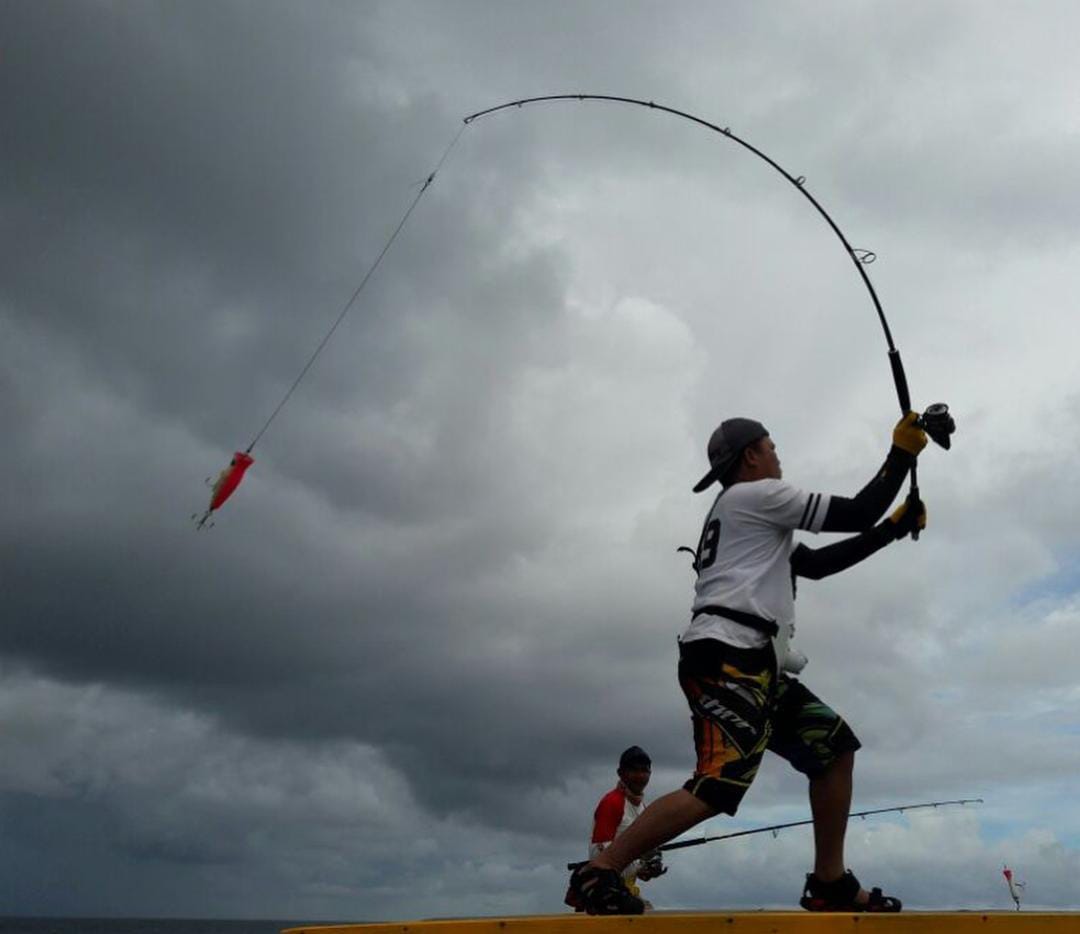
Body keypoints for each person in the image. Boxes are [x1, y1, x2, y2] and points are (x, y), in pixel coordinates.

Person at [568, 413, 929, 915]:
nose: (779, 456)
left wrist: (893, 529)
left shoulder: (750, 522)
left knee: (833, 747)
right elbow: (857, 511)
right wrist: (902, 453)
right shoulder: (756, 495)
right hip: (728, 657)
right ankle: (600, 872)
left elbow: (817, 565)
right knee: (718, 782)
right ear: (750, 457)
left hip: (752, 662)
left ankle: (830, 883)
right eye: (772, 446)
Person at [566, 746, 667, 911]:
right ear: (620, 773)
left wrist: (646, 868)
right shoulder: (612, 802)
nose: (640, 776)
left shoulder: (642, 807)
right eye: (634, 770)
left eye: (644, 771)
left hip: (627, 891)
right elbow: (598, 853)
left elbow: (634, 866)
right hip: (609, 894)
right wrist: (638, 858)